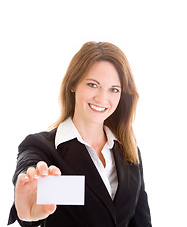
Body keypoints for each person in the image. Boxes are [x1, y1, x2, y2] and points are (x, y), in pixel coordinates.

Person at [8, 41, 152, 226]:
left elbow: (140, 222)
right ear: (73, 83)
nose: (102, 98)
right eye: (93, 85)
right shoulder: (41, 147)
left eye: (114, 89)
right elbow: (30, 174)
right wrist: (28, 206)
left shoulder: (129, 153)